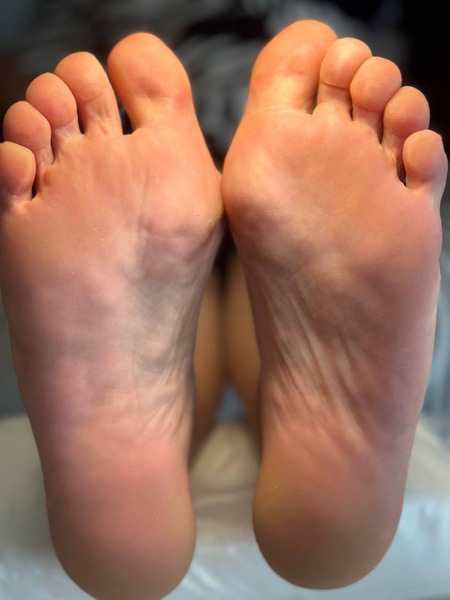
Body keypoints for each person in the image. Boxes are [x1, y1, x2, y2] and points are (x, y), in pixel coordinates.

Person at [0, 18, 446, 600]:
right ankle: (318, 491)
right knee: (231, 279)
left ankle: (137, 450)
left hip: (186, 169)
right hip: (270, 166)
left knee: (189, 298)